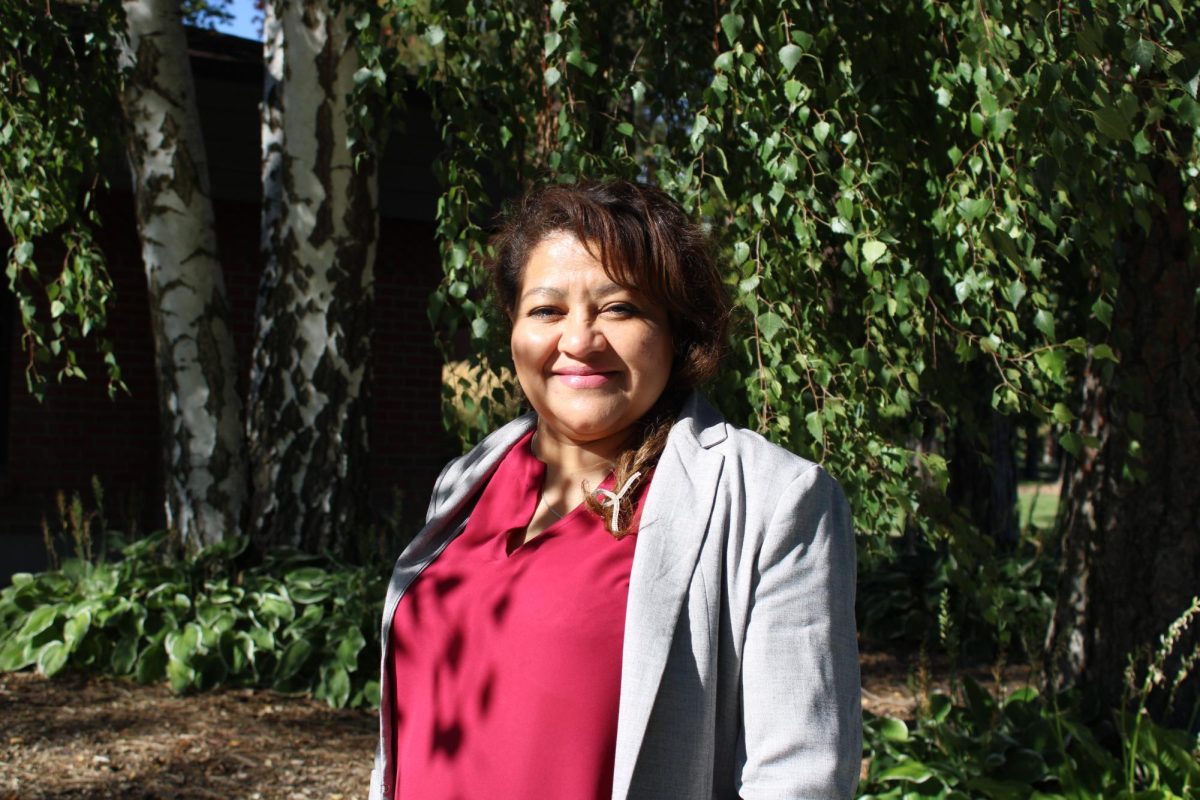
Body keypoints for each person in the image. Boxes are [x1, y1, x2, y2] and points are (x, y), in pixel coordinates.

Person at [368, 179, 861, 800]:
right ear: (514, 330)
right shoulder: (470, 482)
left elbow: (798, 779)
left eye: (620, 308)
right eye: (546, 310)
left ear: (678, 331)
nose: (578, 341)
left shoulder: (775, 499)